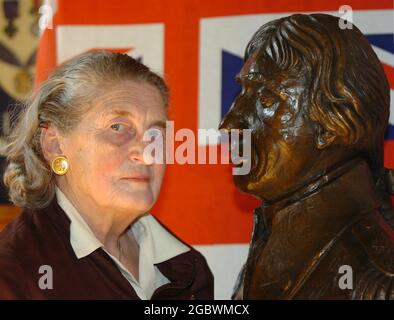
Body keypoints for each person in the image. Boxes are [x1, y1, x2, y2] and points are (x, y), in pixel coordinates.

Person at [0, 51, 213, 299]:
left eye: (155, 134)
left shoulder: (187, 270)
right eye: (117, 127)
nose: (146, 154)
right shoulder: (14, 274)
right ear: (55, 145)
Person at [220, 13, 394, 299]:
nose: (229, 124)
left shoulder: (378, 282)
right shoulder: (269, 252)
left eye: (266, 99)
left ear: (333, 123)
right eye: (243, 93)